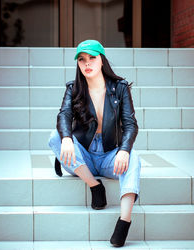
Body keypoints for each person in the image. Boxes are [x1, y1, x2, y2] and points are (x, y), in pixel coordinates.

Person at [48, 39, 141, 247]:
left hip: (110, 155)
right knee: (54, 137)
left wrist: (124, 150)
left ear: (102, 61)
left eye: (92, 58)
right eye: (82, 59)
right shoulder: (74, 88)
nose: (87, 63)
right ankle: (95, 186)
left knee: (134, 157)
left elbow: (130, 124)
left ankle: (123, 222)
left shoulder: (120, 88)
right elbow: (63, 115)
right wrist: (66, 138)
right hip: (84, 158)